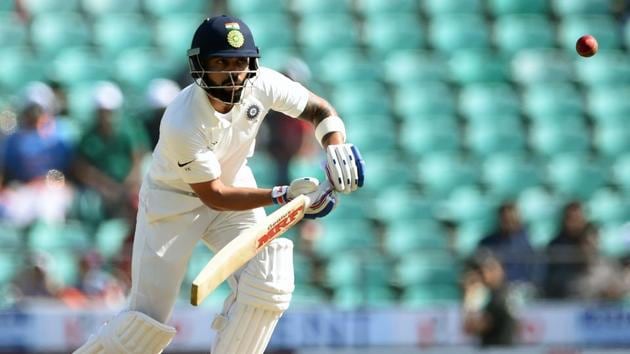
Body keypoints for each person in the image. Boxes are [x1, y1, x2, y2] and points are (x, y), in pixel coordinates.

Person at [74, 15, 365, 354]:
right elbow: (213, 195)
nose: (232, 73)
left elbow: (318, 110)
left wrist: (335, 147)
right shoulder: (183, 119)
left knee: (268, 281)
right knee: (143, 326)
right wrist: (282, 194)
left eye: (240, 63)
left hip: (233, 181)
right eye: (221, 62)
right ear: (199, 66)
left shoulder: (263, 84)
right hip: (174, 203)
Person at [477, 202, 538, 285]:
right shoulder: (488, 242)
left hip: (521, 286)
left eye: (511, 219)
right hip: (491, 286)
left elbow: (533, 273)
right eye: (505, 219)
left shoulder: (529, 242)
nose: (508, 223)